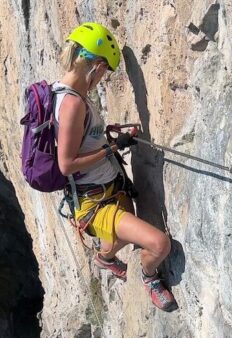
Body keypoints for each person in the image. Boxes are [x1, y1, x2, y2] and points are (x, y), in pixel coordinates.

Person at [54, 22, 176, 311]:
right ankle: (150, 278)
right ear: (95, 65)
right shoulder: (72, 104)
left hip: (109, 187)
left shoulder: (64, 94)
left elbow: (79, 139)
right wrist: (112, 147)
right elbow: (66, 164)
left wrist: (103, 137)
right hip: (96, 202)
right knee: (159, 244)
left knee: (117, 240)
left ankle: (104, 258)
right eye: (105, 70)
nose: (103, 78)